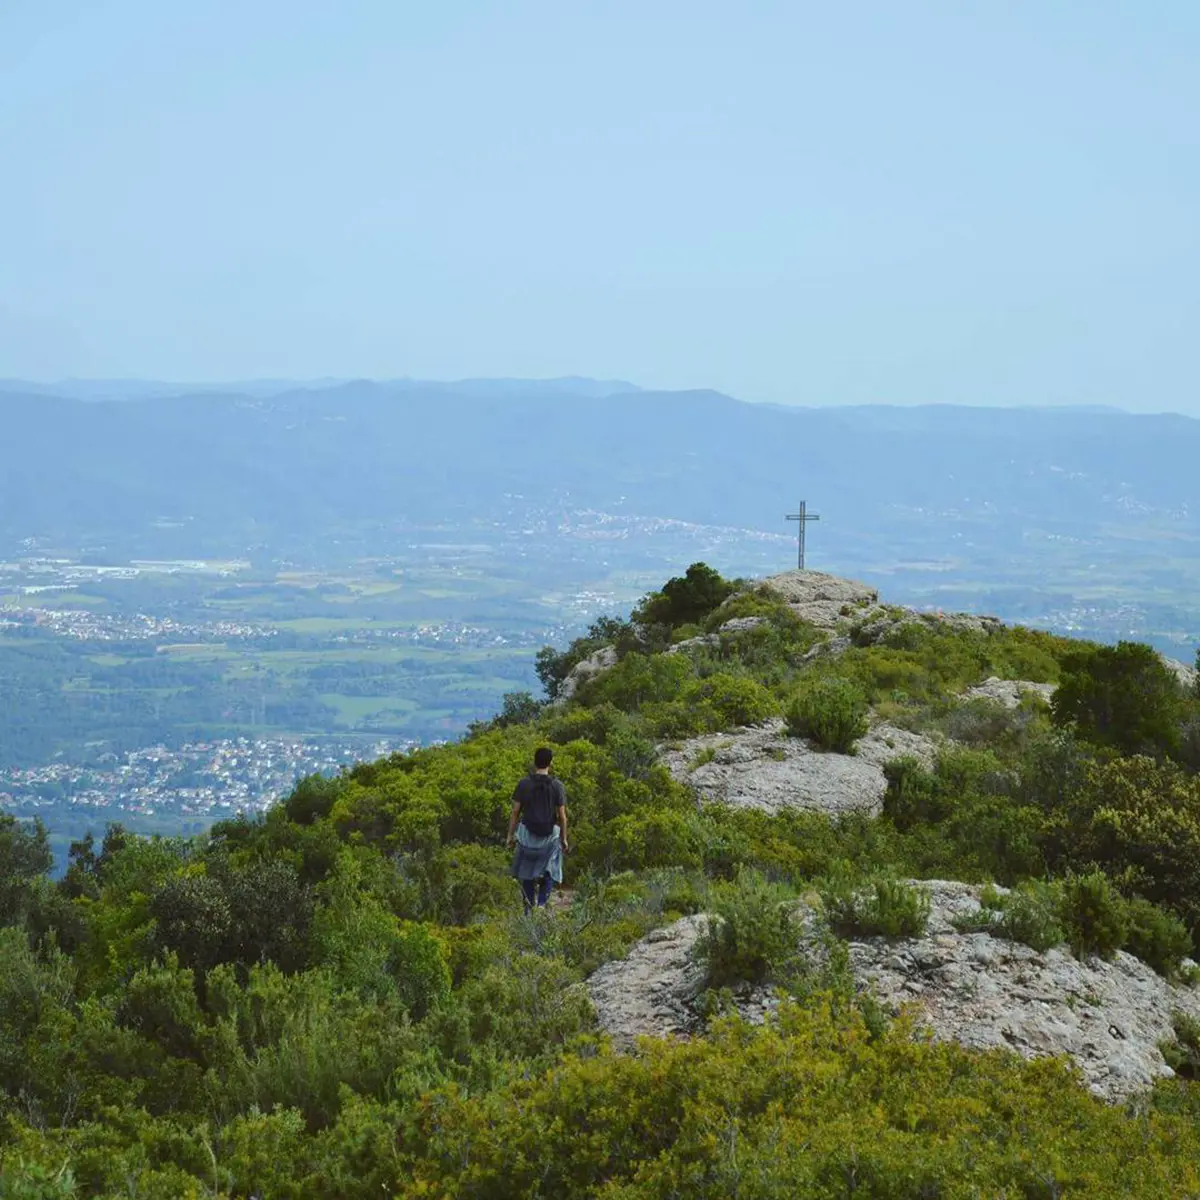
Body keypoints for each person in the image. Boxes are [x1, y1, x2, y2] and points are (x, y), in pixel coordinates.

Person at [507, 746, 568, 912]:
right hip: (548, 839)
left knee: (526, 871)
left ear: (535, 763)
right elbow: (562, 817)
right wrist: (563, 839)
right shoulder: (557, 786)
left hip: (527, 839)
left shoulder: (524, 784)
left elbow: (515, 812)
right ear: (550, 763)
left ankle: (528, 907)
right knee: (551, 866)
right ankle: (542, 904)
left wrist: (510, 837)